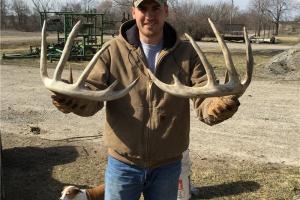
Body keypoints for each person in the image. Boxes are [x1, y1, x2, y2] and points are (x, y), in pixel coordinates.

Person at [52, 0, 240, 199]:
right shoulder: (112, 51)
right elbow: (92, 99)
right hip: (123, 163)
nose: (149, 15)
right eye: (143, 8)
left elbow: (205, 101)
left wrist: (220, 106)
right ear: (133, 12)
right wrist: (71, 100)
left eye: (156, 8)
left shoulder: (187, 53)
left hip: (167, 165)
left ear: (165, 10)